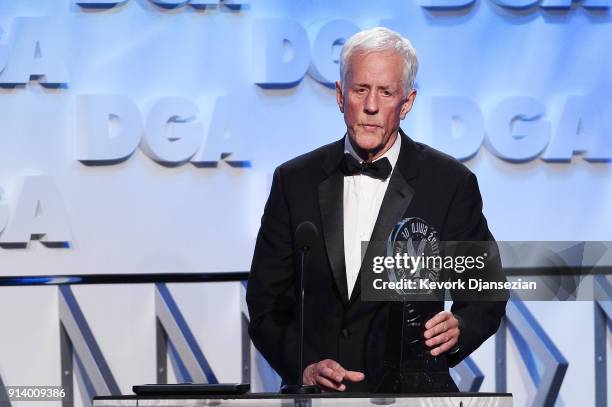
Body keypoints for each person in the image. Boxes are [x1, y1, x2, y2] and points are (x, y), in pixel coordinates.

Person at [246, 27, 508, 393]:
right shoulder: (294, 181)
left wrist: (460, 327)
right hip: (320, 400)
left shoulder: (449, 184)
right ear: (340, 96)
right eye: (360, 90)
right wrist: (303, 366)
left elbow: (485, 292)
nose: (371, 106)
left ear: (407, 103)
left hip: (413, 395)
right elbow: (265, 303)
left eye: (386, 92)